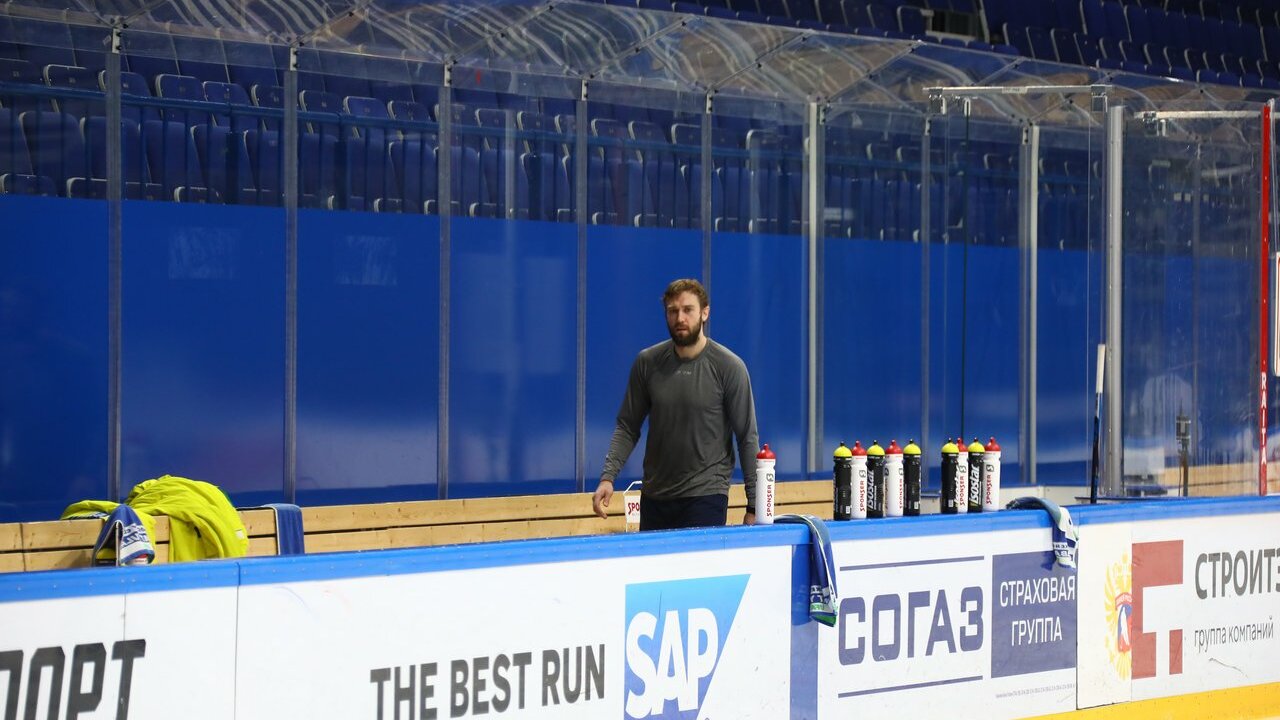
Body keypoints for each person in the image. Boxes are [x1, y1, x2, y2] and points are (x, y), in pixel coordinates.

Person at [592, 278, 760, 530]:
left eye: (688, 310)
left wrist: (754, 505)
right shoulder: (647, 362)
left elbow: (747, 436)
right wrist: (608, 477)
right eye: (673, 311)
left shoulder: (729, 367)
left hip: (706, 495)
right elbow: (627, 426)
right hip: (655, 496)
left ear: (705, 313)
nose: (680, 318)